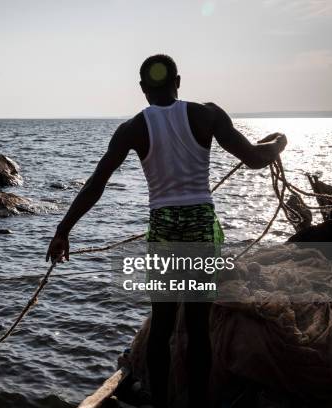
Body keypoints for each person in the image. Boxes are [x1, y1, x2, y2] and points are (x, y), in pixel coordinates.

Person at [45, 54, 287, 406]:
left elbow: (96, 183)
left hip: (164, 229)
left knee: (161, 326)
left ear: (143, 89)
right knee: (198, 326)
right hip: (200, 227)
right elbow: (252, 157)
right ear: (178, 81)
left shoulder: (132, 128)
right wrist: (278, 143)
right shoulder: (208, 115)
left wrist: (63, 230)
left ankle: (160, 402)